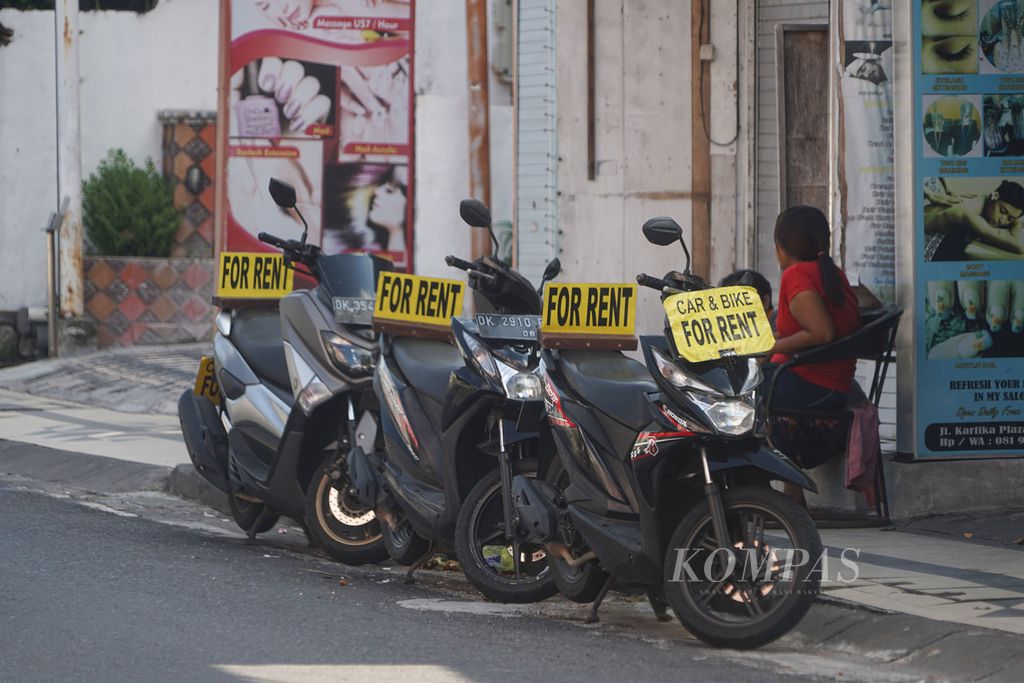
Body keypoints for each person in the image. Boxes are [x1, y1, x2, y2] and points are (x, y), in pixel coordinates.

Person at [764, 206, 861, 503]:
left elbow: (822, 333)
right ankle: (790, 497)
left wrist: (768, 347)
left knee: (731, 392)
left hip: (812, 393)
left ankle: (753, 491)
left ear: (780, 247)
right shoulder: (831, 274)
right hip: (826, 391)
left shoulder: (797, 275)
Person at [924, 179, 1024, 260]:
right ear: (994, 196)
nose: (1002, 220)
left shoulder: (985, 200)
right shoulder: (970, 212)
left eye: (1010, 219)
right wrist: (1016, 222)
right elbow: (1019, 246)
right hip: (923, 238)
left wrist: (1015, 218)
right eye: (1002, 211)